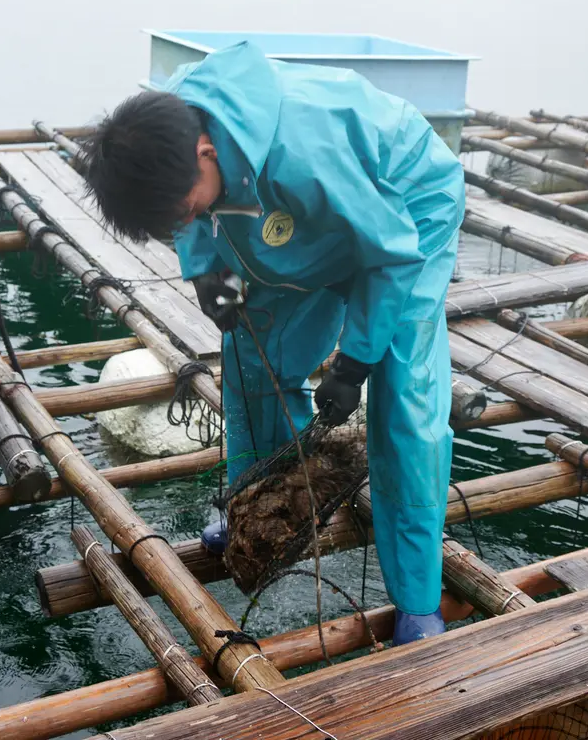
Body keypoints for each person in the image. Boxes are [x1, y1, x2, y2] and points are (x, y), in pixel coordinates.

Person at [79, 41, 465, 645]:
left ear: (207, 153)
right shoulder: (172, 130)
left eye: (183, 208)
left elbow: (388, 258)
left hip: (408, 210)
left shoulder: (309, 148)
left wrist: (356, 360)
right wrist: (208, 271)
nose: (180, 219)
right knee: (252, 357)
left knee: (403, 404)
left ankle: (417, 600)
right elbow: (193, 218)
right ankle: (260, 511)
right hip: (287, 208)